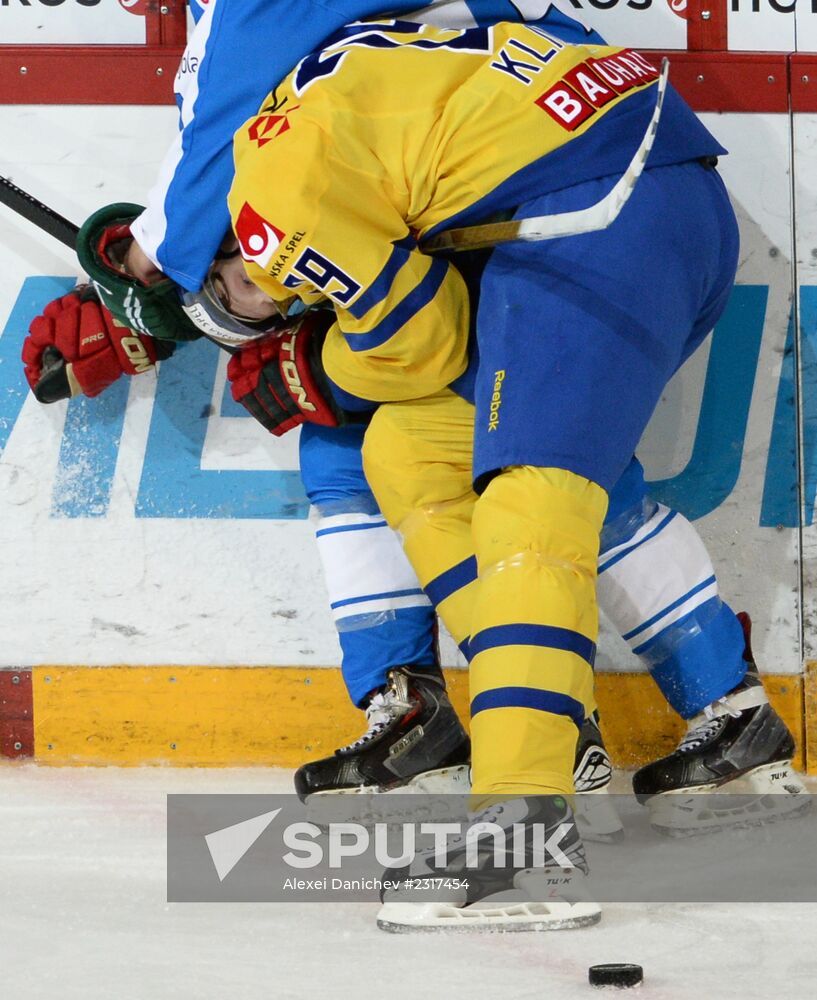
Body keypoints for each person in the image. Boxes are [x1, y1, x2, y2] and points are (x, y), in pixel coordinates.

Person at [19, 1, 802, 841]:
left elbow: (232, 131)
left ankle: (532, 811)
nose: (275, 301)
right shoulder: (298, 147)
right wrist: (188, 285)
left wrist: (162, 294)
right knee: (407, 441)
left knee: (535, 478)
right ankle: (510, 710)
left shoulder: (271, 158)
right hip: (510, 169)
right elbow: (242, 157)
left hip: (577, 193)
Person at [211, 18, 807, 928]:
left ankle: (526, 828)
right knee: (410, 449)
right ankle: (550, 726)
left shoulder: (272, 197)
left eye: (234, 290)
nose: (253, 300)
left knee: (537, 501)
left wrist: (320, 367)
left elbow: (428, 337)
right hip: (637, 193)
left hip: (599, 221)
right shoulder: (338, 72)